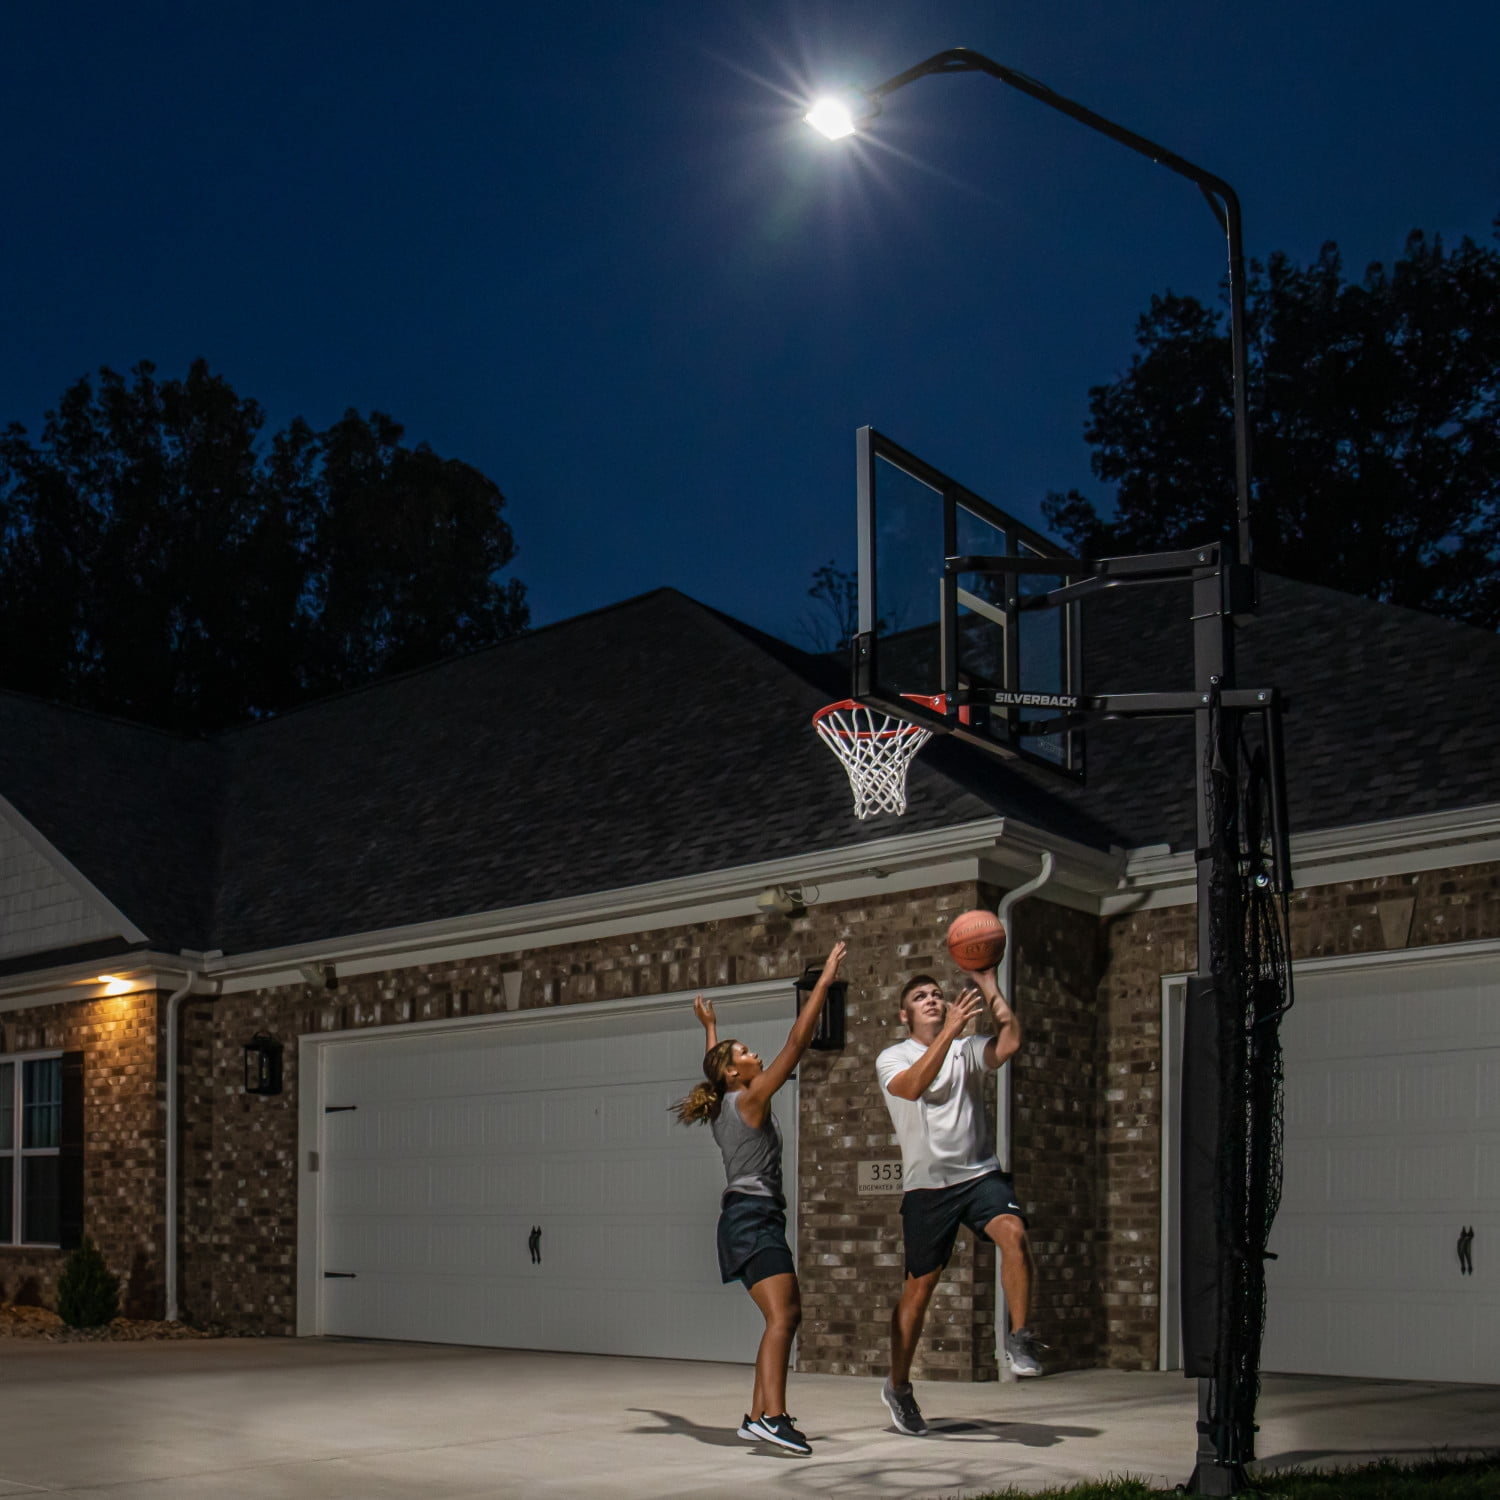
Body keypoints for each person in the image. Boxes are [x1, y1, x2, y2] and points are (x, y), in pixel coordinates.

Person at [674, 939, 848, 1456]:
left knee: (781, 1317)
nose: (756, 1054)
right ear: (734, 1073)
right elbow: (797, 1043)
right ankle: (773, 1417)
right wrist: (823, 983)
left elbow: (715, 1063)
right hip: (752, 1219)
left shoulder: (725, 1100)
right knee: (784, 1317)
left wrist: (710, 1028)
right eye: (745, 1053)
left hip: (750, 1218)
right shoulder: (748, 1099)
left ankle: (756, 1417)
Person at [875, 965, 1043, 1436]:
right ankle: (899, 1386)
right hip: (927, 1188)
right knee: (919, 1290)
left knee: (1014, 1233)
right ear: (904, 1014)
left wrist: (989, 983)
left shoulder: (966, 1049)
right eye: (920, 997)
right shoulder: (892, 1057)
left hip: (979, 1175)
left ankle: (1021, 1338)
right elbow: (912, 1088)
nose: (932, 999)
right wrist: (949, 1031)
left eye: (937, 994)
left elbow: (1009, 1041)